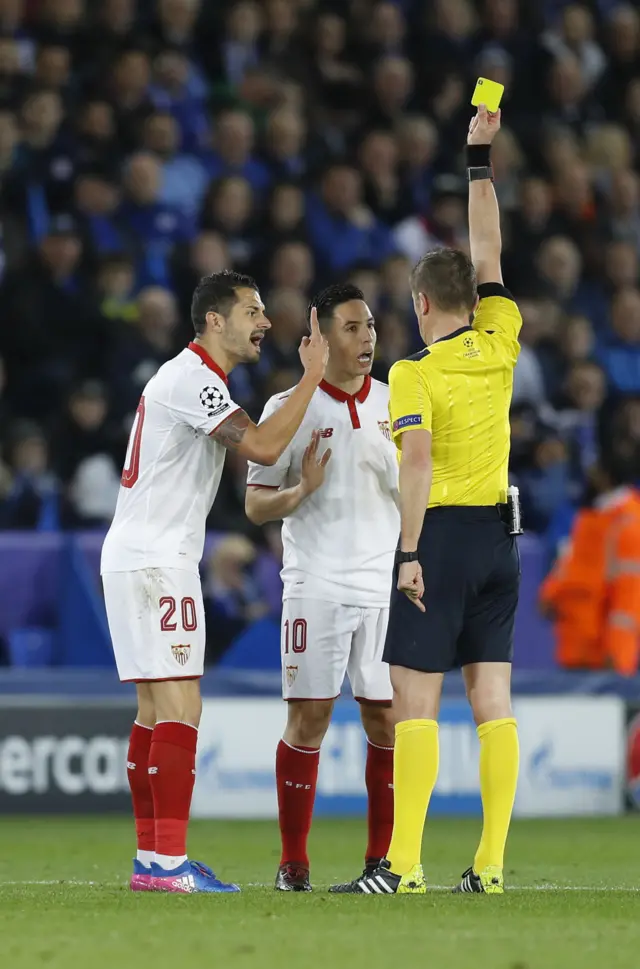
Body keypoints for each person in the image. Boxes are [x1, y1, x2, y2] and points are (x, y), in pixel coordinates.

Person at [100, 270, 328, 894]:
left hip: (138, 553)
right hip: (156, 558)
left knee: (154, 709)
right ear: (214, 320)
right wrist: (312, 377)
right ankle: (169, 864)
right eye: (252, 311)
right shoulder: (193, 378)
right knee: (181, 705)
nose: (264, 322)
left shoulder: (193, 379)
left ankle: (154, 861)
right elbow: (257, 445)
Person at [350, 105, 523, 896]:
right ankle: (488, 866)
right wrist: (477, 160)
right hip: (500, 539)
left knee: (414, 700)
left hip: (442, 537)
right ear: (475, 301)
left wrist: (408, 552)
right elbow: (488, 246)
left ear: (421, 304)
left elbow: (414, 463)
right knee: (493, 700)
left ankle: (405, 865)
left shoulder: (413, 374)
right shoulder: (502, 338)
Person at [245, 283, 400, 892]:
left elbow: (421, 491)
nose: (368, 339)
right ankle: (293, 862)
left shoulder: (398, 402)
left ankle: (380, 863)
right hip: (315, 583)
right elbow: (257, 506)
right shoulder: (291, 405)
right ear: (322, 336)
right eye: (353, 328)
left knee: (386, 720)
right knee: (309, 718)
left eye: (370, 327)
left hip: (384, 585)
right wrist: (300, 492)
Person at [540, 449, 640, 676]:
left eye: (594, 471)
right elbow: (570, 561)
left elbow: (630, 594)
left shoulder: (629, 523)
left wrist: (618, 652)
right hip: (575, 643)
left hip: (602, 654)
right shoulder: (590, 516)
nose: (589, 476)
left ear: (607, 476)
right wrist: (550, 593)